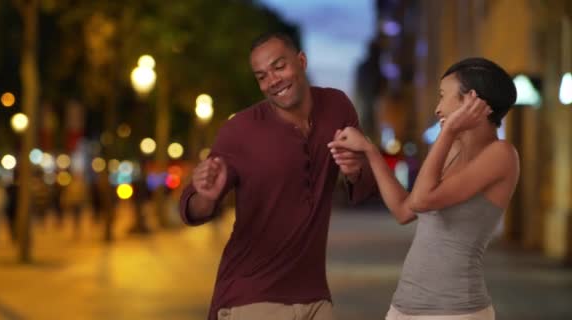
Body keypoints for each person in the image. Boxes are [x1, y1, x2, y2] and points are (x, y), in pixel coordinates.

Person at [179, 32, 376, 320]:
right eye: (261, 76)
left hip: (315, 298)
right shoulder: (240, 130)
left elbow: (363, 189)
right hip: (251, 298)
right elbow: (193, 208)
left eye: (279, 66)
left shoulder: (338, 107)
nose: (272, 80)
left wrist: (356, 170)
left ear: (301, 61)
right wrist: (206, 198)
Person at [328, 57, 519, 320]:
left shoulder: (501, 154)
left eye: (443, 96)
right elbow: (404, 211)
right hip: (403, 307)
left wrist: (449, 131)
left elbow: (421, 200)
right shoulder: (451, 149)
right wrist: (371, 151)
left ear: (471, 99)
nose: (438, 109)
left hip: (455, 311)